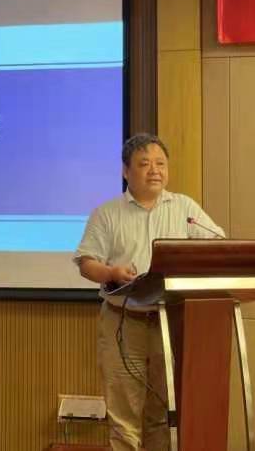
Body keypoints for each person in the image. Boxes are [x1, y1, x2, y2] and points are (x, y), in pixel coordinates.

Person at [73, 133, 225, 451]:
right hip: (122, 321)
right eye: (144, 164)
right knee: (124, 417)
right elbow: (87, 263)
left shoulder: (185, 208)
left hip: (168, 322)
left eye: (160, 163)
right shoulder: (107, 213)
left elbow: (217, 244)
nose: (154, 170)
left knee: (162, 413)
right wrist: (111, 273)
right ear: (126, 171)